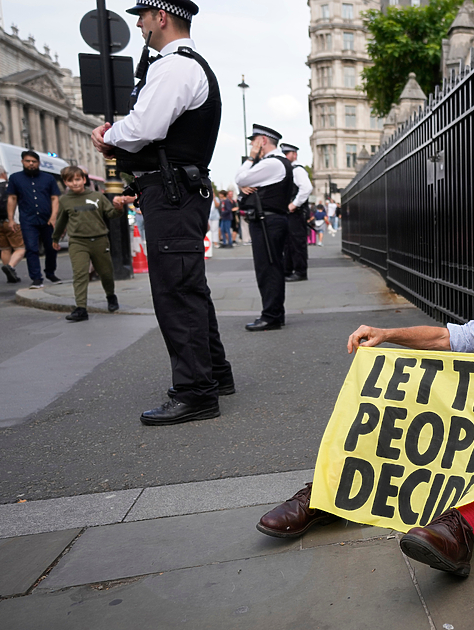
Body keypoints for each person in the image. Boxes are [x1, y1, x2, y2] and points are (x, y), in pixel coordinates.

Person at [257, 236, 474, 578]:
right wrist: (387, 334)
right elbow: (446, 338)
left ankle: (460, 529)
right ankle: (324, 495)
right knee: (402, 398)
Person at [91, 0, 233, 426]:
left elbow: (146, 127)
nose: (137, 23)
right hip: (174, 192)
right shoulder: (179, 65)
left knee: (176, 291)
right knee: (189, 286)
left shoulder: (175, 67)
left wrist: (108, 136)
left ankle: (195, 392)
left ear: (162, 18)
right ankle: (214, 376)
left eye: (142, 16)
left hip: (172, 196)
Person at [236, 125, 294, 331]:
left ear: (262, 140)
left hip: (267, 222)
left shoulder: (271, 163)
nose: (252, 145)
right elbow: (243, 183)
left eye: (253, 142)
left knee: (268, 269)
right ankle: (274, 313)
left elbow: (241, 178)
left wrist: (251, 158)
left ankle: (271, 316)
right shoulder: (276, 164)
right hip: (269, 221)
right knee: (271, 267)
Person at [52, 166, 122, 321]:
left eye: (77, 179)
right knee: (80, 274)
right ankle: (81, 308)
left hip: (99, 240)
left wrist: (119, 209)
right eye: (70, 180)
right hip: (78, 242)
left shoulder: (97, 196)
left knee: (106, 273)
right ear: (65, 183)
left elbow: (110, 213)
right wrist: (55, 238)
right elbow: (61, 221)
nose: (75, 183)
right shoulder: (64, 200)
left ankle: (111, 296)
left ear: (84, 179)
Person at [7, 150, 62, 289]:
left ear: (38, 163)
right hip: (28, 219)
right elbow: (12, 198)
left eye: (34, 161)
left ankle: (50, 272)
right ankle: (36, 278)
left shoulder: (48, 178)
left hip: (47, 219)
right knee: (31, 249)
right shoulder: (15, 178)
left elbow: (55, 198)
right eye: (28, 161)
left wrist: (54, 216)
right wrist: (11, 219)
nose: (31, 164)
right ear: (22, 162)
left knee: (51, 247)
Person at [279, 143, 313, 282]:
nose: (286, 157)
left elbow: (306, 188)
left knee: (297, 243)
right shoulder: (290, 169)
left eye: (288, 154)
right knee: (288, 243)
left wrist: (294, 204)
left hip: (296, 212)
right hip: (290, 213)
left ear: (294, 154)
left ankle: (300, 271)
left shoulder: (298, 170)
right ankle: (288, 269)